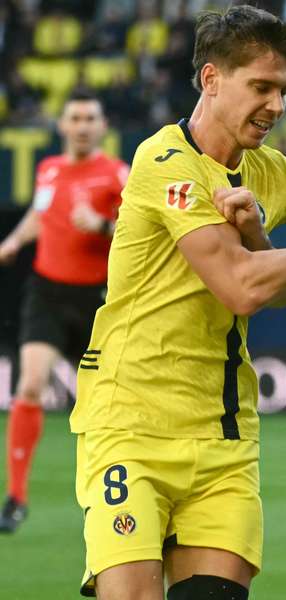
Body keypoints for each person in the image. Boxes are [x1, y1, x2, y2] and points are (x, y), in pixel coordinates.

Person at [68, 6, 286, 600]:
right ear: (211, 79)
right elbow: (243, 287)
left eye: (284, 90)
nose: (276, 105)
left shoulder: (275, 173)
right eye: (261, 87)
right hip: (131, 422)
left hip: (224, 434)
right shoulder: (164, 161)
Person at [0, 90, 127, 534]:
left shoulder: (117, 174)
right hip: (47, 293)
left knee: (107, 404)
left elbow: (141, 230)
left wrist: (103, 225)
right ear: (62, 126)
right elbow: (41, 216)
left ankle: (114, 492)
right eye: (75, 118)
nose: (82, 126)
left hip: (97, 299)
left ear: (102, 126)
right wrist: (14, 241)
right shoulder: (48, 169)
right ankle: (16, 497)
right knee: (29, 385)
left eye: (90, 118)